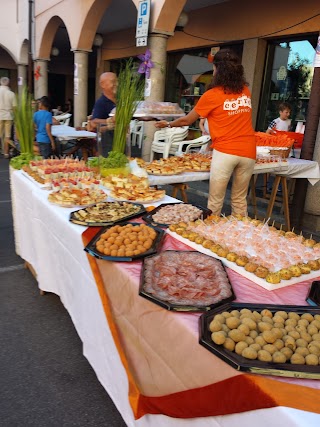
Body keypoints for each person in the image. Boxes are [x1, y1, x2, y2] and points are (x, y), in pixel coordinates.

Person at [155, 48, 256, 217]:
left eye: (214, 67)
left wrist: (168, 124)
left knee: (215, 202)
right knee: (239, 200)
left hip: (226, 152)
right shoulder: (245, 91)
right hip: (248, 151)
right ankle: (240, 238)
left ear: (218, 70)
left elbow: (187, 120)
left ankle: (210, 238)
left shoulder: (211, 95)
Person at [91, 72, 118, 157]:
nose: (116, 84)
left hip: (120, 141)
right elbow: (94, 122)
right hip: (107, 143)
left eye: (117, 81)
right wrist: (111, 120)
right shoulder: (101, 102)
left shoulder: (120, 100)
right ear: (103, 85)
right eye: (113, 81)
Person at [0, 77, 17, 158]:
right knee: (7, 135)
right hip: (8, 116)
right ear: (8, 83)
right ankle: (6, 153)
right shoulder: (11, 94)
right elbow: (14, 108)